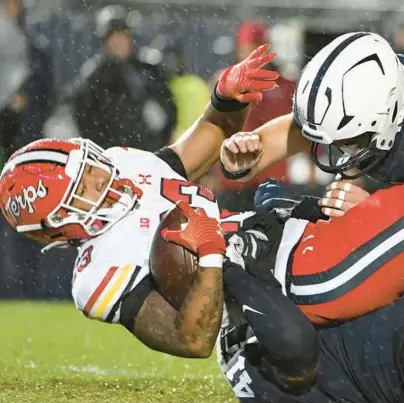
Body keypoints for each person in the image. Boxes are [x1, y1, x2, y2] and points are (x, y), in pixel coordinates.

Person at [0, 46, 320, 393]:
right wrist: (212, 255)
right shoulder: (97, 275)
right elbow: (193, 340)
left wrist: (225, 99)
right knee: (296, 347)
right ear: (57, 229)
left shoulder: (123, 163)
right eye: (84, 187)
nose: (103, 176)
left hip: (264, 239)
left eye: (90, 164)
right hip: (249, 316)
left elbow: (204, 144)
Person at [219, 31, 404, 325]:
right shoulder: (373, 100)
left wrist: (376, 210)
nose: (340, 150)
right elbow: (291, 133)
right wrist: (243, 157)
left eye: (351, 138)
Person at [73, 17, 176, 152]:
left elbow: (168, 111)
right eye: (113, 37)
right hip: (109, 156)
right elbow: (83, 116)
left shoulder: (148, 69)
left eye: (121, 36)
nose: (117, 42)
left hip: (148, 154)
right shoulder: (94, 75)